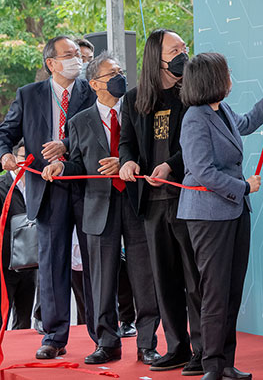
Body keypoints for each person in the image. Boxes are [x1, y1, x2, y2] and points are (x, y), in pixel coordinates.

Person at [42, 52, 161, 366]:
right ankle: (107, 343)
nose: (120, 77)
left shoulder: (138, 110)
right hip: (97, 207)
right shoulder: (79, 121)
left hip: (137, 203)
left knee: (144, 278)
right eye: (113, 73)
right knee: (101, 282)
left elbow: (149, 154)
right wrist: (61, 168)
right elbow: (78, 163)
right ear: (95, 83)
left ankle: (147, 344)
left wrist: (126, 163)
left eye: (121, 71)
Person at [177, 52, 263, 380]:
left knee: (231, 292)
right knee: (214, 291)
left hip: (234, 212)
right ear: (212, 80)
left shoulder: (221, 111)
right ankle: (211, 364)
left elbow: (248, 122)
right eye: (226, 73)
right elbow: (202, 171)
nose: (230, 78)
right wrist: (244, 187)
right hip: (209, 215)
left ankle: (225, 364)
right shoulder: (195, 118)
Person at [0, 35, 97, 359]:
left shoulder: (91, 91)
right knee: (52, 265)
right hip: (46, 190)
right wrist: (5, 155)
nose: (77, 60)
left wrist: (66, 143)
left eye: (77, 55)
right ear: (51, 63)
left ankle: (104, 335)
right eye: (68, 55)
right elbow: (6, 134)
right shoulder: (28, 95)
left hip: (86, 187)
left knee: (96, 263)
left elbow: (100, 130)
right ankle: (54, 337)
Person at [118, 29, 203, 374]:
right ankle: (177, 347)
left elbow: (197, 145)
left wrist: (171, 165)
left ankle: (202, 350)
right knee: (163, 280)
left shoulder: (192, 94)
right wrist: (127, 161)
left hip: (187, 199)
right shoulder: (134, 99)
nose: (184, 53)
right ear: (157, 57)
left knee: (194, 279)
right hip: (151, 203)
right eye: (176, 49)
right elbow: (126, 142)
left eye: (184, 47)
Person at [0, 141, 37, 330]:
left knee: (24, 319)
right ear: (14, 158)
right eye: (25, 157)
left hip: (29, 263)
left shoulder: (37, 186)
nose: (29, 162)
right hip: (5, 263)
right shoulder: (2, 185)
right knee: (2, 318)